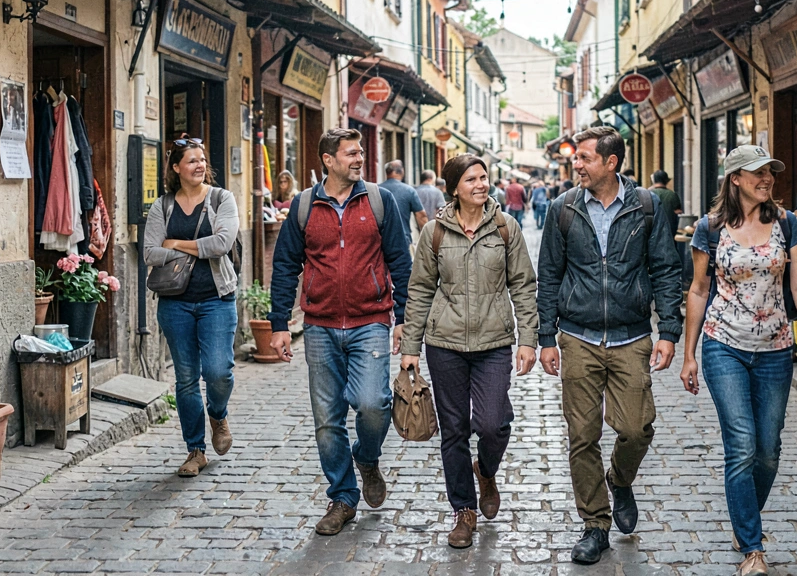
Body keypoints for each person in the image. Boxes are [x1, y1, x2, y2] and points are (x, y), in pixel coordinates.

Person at [536, 126, 683, 565]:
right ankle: (595, 525)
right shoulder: (563, 208)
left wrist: (669, 331)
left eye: (584, 158)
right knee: (582, 436)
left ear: (611, 162)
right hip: (578, 337)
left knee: (636, 428)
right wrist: (546, 337)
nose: (576, 164)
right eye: (576, 158)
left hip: (631, 336)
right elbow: (549, 275)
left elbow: (665, 269)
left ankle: (619, 479)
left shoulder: (646, 206)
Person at [679, 144, 797, 575]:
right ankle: (752, 548)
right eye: (757, 172)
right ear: (735, 179)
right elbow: (699, 290)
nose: (767, 179)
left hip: (775, 348)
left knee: (768, 449)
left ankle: (745, 519)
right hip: (723, 344)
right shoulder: (710, 229)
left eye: (770, 172)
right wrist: (689, 355)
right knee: (741, 445)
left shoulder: (786, 223)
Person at [267, 128, 413, 535]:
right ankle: (343, 497)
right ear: (328, 160)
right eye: (351, 153)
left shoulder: (379, 201)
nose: (359, 158)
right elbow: (285, 266)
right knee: (327, 419)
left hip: (371, 321)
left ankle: (366, 456)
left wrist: (404, 317)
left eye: (360, 152)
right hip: (319, 326)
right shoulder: (304, 206)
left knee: (374, 404)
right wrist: (279, 324)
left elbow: (401, 261)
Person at [401, 154, 540, 548]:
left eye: (483, 177)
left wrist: (528, 339)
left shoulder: (505, 227)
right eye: (471, 180)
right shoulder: (434, 233)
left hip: (493, 342)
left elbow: (523, 286)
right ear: (453, 189)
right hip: (444, 344)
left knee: (493, 423)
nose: (481, 184)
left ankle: (487, 470)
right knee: (454, 430)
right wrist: (410, 347)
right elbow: (420, 290)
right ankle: (463, 510)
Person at [142, 137, 240, 478]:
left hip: (217, 299)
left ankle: (218, 414)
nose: (199, 165)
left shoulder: (221, 199)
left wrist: (176, 243)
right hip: (175, 303)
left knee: (218, 372)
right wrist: (196, 246)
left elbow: (222, 243)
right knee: (185, 378)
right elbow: (150, 252)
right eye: (192, 161)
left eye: (202, 160)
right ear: (176, 168)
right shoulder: (163, 206)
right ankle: (195, 450)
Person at [380, 159, 429, 242]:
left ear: (387, 172)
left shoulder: (377, 189)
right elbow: (421, 216)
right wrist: (427, 238)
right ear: (401, 171)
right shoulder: (409, 190)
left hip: (381, 238)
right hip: (402, 238)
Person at [648, 170, 683, 239]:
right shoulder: (672, 195)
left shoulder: (648, 194)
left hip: (652, 231)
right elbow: (678, 211)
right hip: (669, 232)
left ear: (654, 181)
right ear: (666, 181)